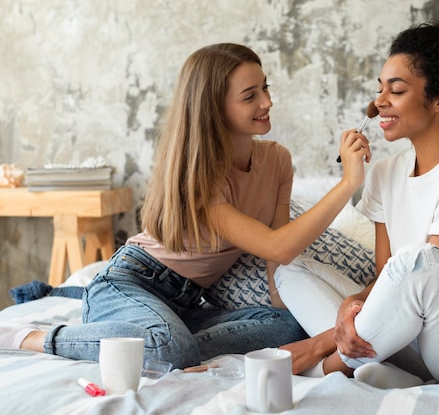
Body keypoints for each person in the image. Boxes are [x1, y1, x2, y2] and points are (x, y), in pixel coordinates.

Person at [0, 43, 371, 370]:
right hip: (132, 282)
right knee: (173, 350)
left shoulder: (277, 160)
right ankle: (35, 338)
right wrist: (348, 183)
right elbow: (280, 245)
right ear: (214, 108)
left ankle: (152, 343)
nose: (267, 103)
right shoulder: (198, 178)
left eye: (265, 88)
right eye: (250, 96)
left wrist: (282, 311)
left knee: (290, 325)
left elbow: (278, 257)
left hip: (189, 303)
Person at [275, 17, 439, 388]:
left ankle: (329, 364)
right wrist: (350, 307)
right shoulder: (385, 172)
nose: (379, 102)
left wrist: (319, 342)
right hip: (409, 332)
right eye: (380, 89)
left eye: (395, 91)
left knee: (421, 259)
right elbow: (387, 279)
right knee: (291, 271)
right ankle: (377, 369)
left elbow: (434, 273)